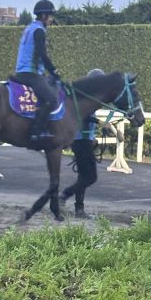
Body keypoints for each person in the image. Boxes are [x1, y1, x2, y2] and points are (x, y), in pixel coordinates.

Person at [59, 68, 112, 218]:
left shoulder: (89, 97)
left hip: (84, 139)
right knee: (90, 177)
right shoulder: (83, 98)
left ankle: (79, 209)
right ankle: (63, 196)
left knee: (83, 177)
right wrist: (102, 122)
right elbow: (84, 116)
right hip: (80, 140)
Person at [14, 0, 61, 142]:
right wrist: (54, 70)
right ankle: (37, 132)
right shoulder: (39, 31)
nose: (51, 20)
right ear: (44, 16)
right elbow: (42, 54)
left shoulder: (29, 27)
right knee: (52, 99)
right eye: (50, 16)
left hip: (22, 71)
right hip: (31, 73)